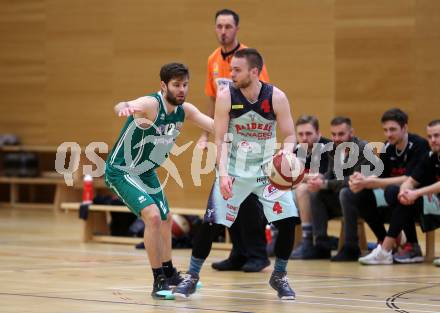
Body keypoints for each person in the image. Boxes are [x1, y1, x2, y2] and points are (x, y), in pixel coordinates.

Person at [174, 48, 299, 300]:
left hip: (266, 169)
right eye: (231, 69)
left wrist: (286, 154)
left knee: (288, 221)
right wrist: (223, 174)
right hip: (233, 167)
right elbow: (220, 139)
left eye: (237, 70)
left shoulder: (276, 97)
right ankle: (192, 276)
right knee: (211, 224)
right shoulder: (226, 95)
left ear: (254, 72)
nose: (231, 74)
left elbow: (290, 135)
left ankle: (280, 276)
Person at [104, 63, 213, 299]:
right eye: (176, 85)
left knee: (166, 218)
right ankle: (158, 280)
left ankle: (170, 272)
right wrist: (124, 108)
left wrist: (240, 131)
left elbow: (213, 125)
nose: (182, 89)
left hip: (145, 171)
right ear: (163, 86)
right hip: (122, 170)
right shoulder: (152, 104)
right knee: (153, 216)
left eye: (185, 85)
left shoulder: (186, 110)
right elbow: (124, 104)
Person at [198, 9, 270, 273]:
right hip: (225, 138)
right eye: (219, 26)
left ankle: (258, 254)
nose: (223, 31)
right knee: (229, 195)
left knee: (249, 198)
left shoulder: (249, 58)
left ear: (237, 29)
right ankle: (239, 252)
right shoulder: (213, 60)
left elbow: (263, 95)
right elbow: (212, 99)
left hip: (248, 137)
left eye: (228, 26)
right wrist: (205, 135)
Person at [336, 108, 430, 262]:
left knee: (393, 191)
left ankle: (412, 245)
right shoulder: (388, 146)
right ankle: (383, 241)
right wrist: (362, 179)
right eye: (385, 130)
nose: (388, 134)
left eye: (392, 129)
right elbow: (380, 175)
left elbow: (410, 179)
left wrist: (373, 181)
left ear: (405, 128)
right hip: (396, 199)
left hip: (422, 198)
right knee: (357, 192)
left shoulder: (419, 145)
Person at [358, 119, 438, 265]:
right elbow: (411, 180)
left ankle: (386, 250)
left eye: (437, 136)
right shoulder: (431, 156)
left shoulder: (419, 145)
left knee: (398, 193)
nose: (433, 140)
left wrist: (415, 193)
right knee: (391, 193)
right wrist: (404, 192)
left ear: (404, 127)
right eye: (430, 136)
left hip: (431, 201)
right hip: (423, 199)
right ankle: (388, 245)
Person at [304, 117, 371, 259]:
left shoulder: (363, 148)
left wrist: (326, 184)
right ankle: (321, 245)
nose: (336, 138)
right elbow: (331, 175)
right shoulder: (334, 149)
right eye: (333, 134)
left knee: (346, 193)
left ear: (351, 132)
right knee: (316, 193)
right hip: (340, 199)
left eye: (341, 134)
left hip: (362, 200)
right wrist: (320, 179)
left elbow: (354, 181)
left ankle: (351, 247)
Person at [288, 115, 331, 259]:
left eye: (308, 133)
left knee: (302, 189)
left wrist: (297, 177)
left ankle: (307, 240)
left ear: (318, 133)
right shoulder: (297, 149)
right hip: (304, 191)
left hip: (326, 193)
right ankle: (276, 238)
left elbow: (320, 178)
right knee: (274, 189)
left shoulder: (327, 148)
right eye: (300, 134)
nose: (304, 138)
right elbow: (283, 177)